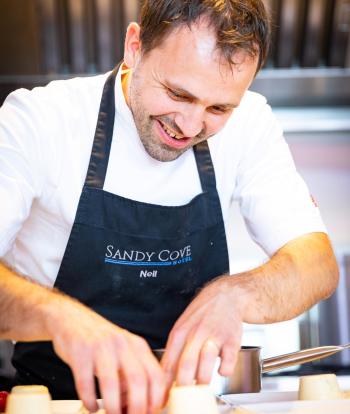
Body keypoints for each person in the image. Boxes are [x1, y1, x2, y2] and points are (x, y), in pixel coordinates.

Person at [0, 1, 339, 413]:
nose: (191, 127)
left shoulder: (252, 123)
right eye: (178, 93)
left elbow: (318, 264)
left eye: (218, 109)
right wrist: (60, 318)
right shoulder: (39, 120)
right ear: (134, 46)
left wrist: (237, 294)